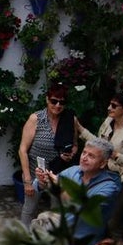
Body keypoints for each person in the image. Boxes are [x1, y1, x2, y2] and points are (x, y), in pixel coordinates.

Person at [76, 91, 123, 238]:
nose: (109, 108)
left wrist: (116, 155)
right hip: (103, 174)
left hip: (122, 179)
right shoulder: (108, 121)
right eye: (110, 104)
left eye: (114, 106)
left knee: (114, 221)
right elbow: (98, 144)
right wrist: (80, 129)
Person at [33, 137, 121, 245]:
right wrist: (42, 181)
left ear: (103, 163)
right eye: (84, 153)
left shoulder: (110, 187)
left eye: (91, 156)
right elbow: (39, 187)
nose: (84, 158)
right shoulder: (73, 170)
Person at [18, 84, 81, 225]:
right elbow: (22, 149)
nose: (58, 105)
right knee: (29, 208)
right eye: (54, 101)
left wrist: (71, 154)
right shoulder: (36, 119)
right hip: (36, 173)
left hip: (57, 174)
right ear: (47, 100)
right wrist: (27, 180)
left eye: (62, 102)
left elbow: (75, 144)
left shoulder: (70, 120)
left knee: (56, 210)